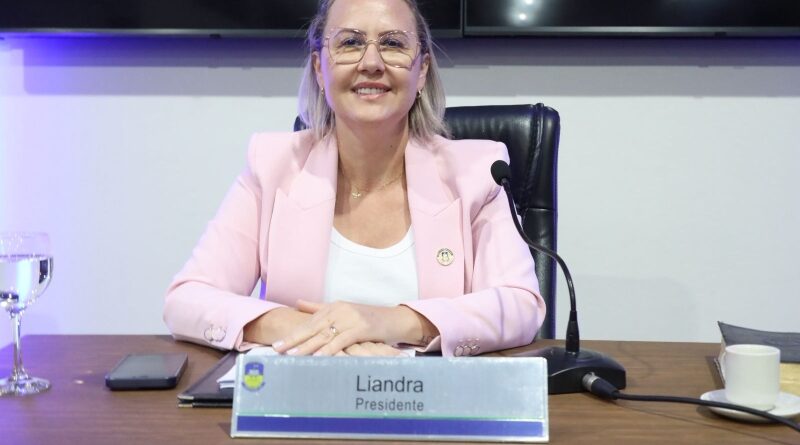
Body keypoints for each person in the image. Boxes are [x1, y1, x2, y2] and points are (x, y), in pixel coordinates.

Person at [163, 0, 545, 357]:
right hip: (305, 395)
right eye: (350, 43)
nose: (371, 63)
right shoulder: (273, 167)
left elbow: (520, 305)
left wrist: (385, 321)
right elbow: (187, 298)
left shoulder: (477, 173)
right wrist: (315, 331)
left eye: (393, 43)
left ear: (422, 70)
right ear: (319, 68)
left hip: (430, 397)